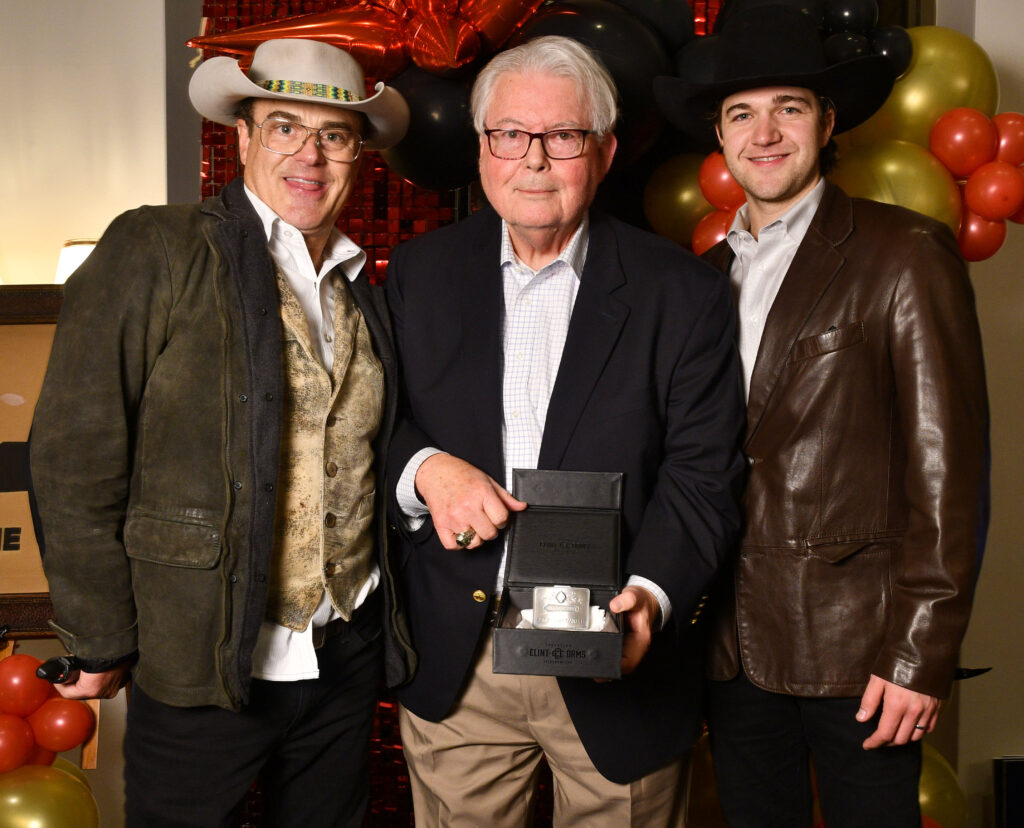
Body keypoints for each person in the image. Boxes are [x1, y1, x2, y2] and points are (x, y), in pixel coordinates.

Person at [30, 38, 412, 827]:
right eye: (284, 126)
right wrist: (99, 636)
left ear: (357, 156)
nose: (309, 153)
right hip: (204, 655)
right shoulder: (158, 247)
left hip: (343, 650)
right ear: (240, 138)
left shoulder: (362, 286)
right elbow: (75, 454)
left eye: (334, 134)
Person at [385, 35, 746, 827]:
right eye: (510, 134)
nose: (534, 160)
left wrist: (649, 599)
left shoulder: (684, 293)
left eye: (563, 136)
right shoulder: (419, 275)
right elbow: (370, 426)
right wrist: (425, 470)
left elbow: (703, 475)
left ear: (606, 151)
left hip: (617, 656)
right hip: (461, 659)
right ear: (483, 150)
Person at [654, 6, 990, 827]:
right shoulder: (700, 274)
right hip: (728, 648)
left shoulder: (902, 250)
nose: (764, 133)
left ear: (827, 121)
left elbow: (949, 472)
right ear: (719, 136)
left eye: (788, 108)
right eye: (741, 114)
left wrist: (918, 653)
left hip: (862, 651)